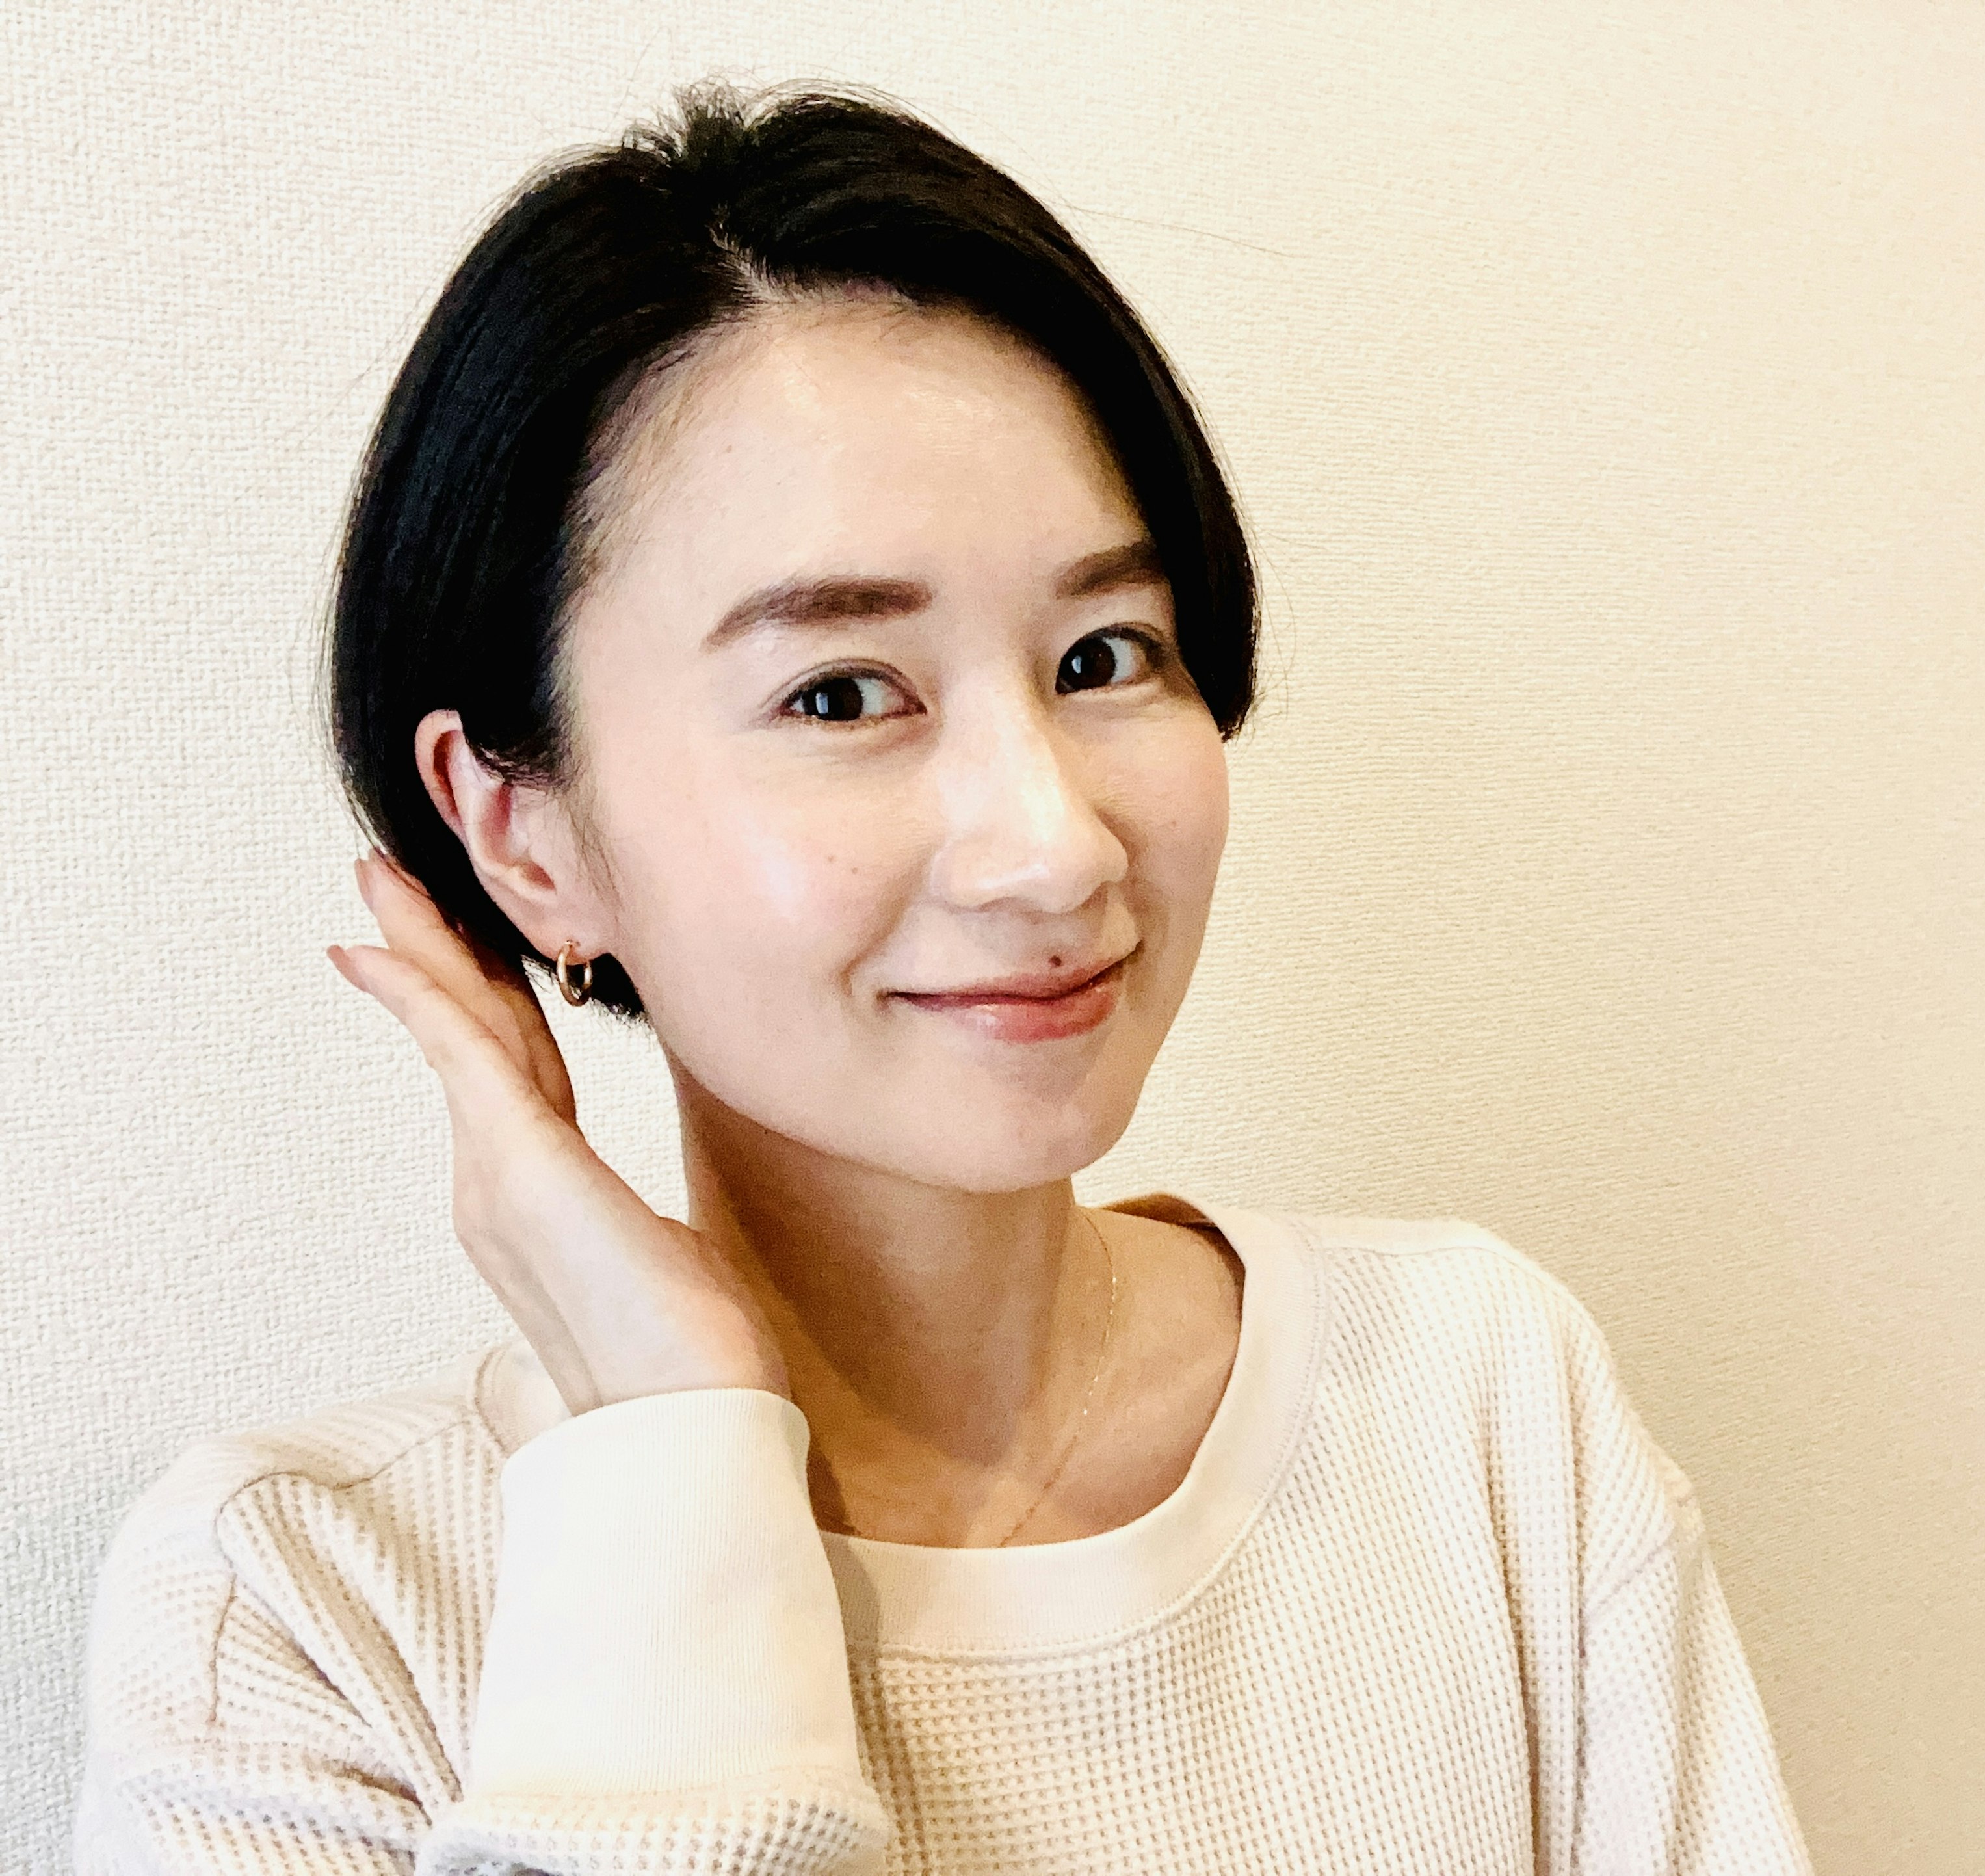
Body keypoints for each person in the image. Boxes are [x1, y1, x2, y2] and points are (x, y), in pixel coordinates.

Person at [72, 80, 1816, 1875]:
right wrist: (678, 1449)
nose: (1053, 846)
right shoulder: (308, 1614)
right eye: (842, 694)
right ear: (525, 837)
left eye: (1104, 654)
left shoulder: (1473, 1409)